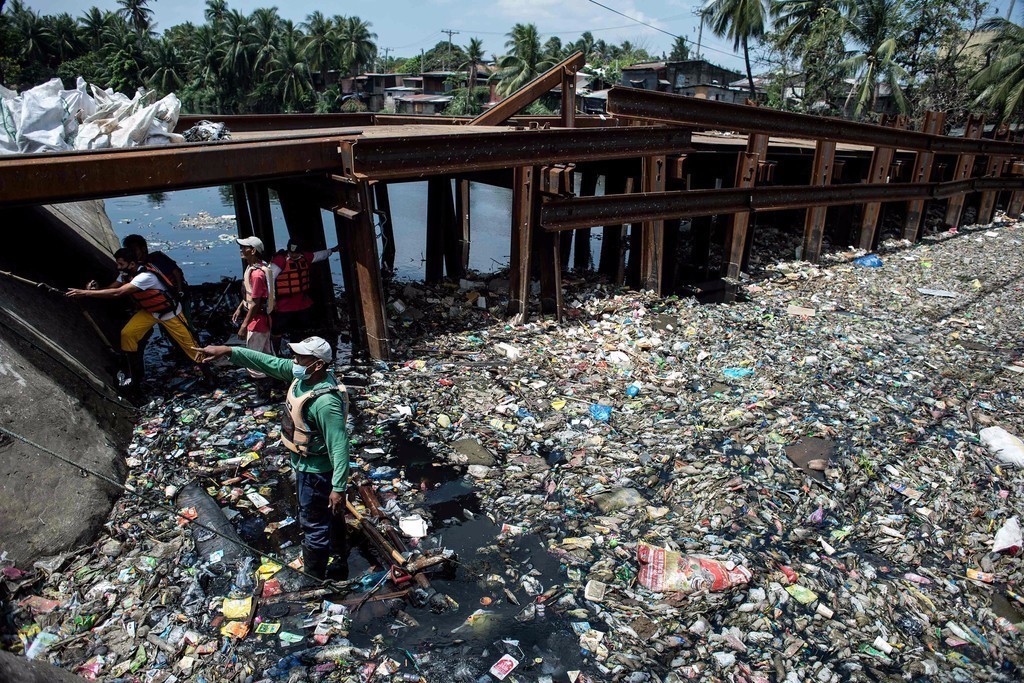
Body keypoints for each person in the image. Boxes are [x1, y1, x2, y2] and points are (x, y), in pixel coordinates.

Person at [193, 336, 350, 579]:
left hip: (317, 471)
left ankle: (315, 579)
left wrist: (338, 487)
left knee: (313, 524)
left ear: (318, 364)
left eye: (300, 358)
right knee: (329, 512)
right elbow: (268, 362)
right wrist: (228, 351)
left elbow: (339, 445)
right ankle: (340, 556)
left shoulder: (325, 402)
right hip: (306, 464)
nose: (294, 361)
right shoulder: (302, 376)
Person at [67, 248, 210, 393]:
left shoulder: (145, 276)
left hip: (169, 313)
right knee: (128, 334)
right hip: (149, 312)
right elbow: (112, 288)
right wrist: (94, 290)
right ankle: (135, 376)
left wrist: (85, 293)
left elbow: (119, 292)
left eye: (121, 264)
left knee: (190, 346)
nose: (118, 267)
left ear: (132, 264)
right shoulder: (125, 274)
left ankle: (209, 376)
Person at [270, 239, 339, 352]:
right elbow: (269, 279)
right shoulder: (280, 261)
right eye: (291, 252)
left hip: (302, 302)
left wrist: (332, 250)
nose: (293, 255)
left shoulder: (305, 257)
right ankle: (275, 351)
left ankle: (297, 352)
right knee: (277, 329)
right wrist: (272, 300)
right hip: (284, 304)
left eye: (296, 252)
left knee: (300, 329)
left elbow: (319, 255)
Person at [232, 237, 275, 378]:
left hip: (258, 321)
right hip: (262, 318)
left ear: (254, 250)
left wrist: (244, 325)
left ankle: (262, 391)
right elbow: (250, 294)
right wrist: (239, 308)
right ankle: (273, 383)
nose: (242, 250)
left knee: (254, 357)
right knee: (266, 353)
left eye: (245, 247)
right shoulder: (256, 267)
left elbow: (256, 302)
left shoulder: (257, 274)